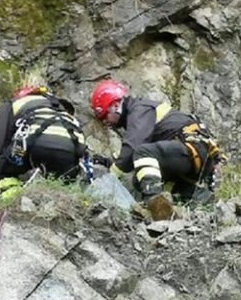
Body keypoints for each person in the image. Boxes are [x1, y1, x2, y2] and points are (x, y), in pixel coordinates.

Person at [90, 80, 225, 220]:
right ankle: (201, 198)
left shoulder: (139, 109)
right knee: (139, 180)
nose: (105, 122)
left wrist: (111, 176)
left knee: (142, 154)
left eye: (104, 115)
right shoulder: (138, 114)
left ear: (115, 105)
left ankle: (154, 204)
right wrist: (109, 162)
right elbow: (131, 154)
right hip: (195, 155)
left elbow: (133, 148)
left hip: (190, 148)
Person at [0, 86, 90, 193]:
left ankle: (14, 201)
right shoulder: (60, 108)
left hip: (32, 143)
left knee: (3, 171)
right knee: (62, 187)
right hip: (70, 151)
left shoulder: (14, 104)